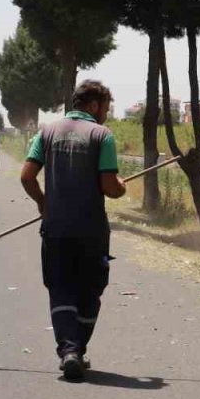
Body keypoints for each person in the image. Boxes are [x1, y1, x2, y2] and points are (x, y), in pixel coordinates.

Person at [19, 80, 127, 380]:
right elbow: (109, 187)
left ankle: (69, 351)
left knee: (61, 288)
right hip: (92, 231)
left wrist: (43, 204)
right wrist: (121, 188)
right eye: (105, 107)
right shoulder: (102, 135)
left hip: (55, 230)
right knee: (91, 290)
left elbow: (27, 177)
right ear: (93, 105)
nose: (106, 114)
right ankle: (75, 348)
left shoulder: (47, 132)